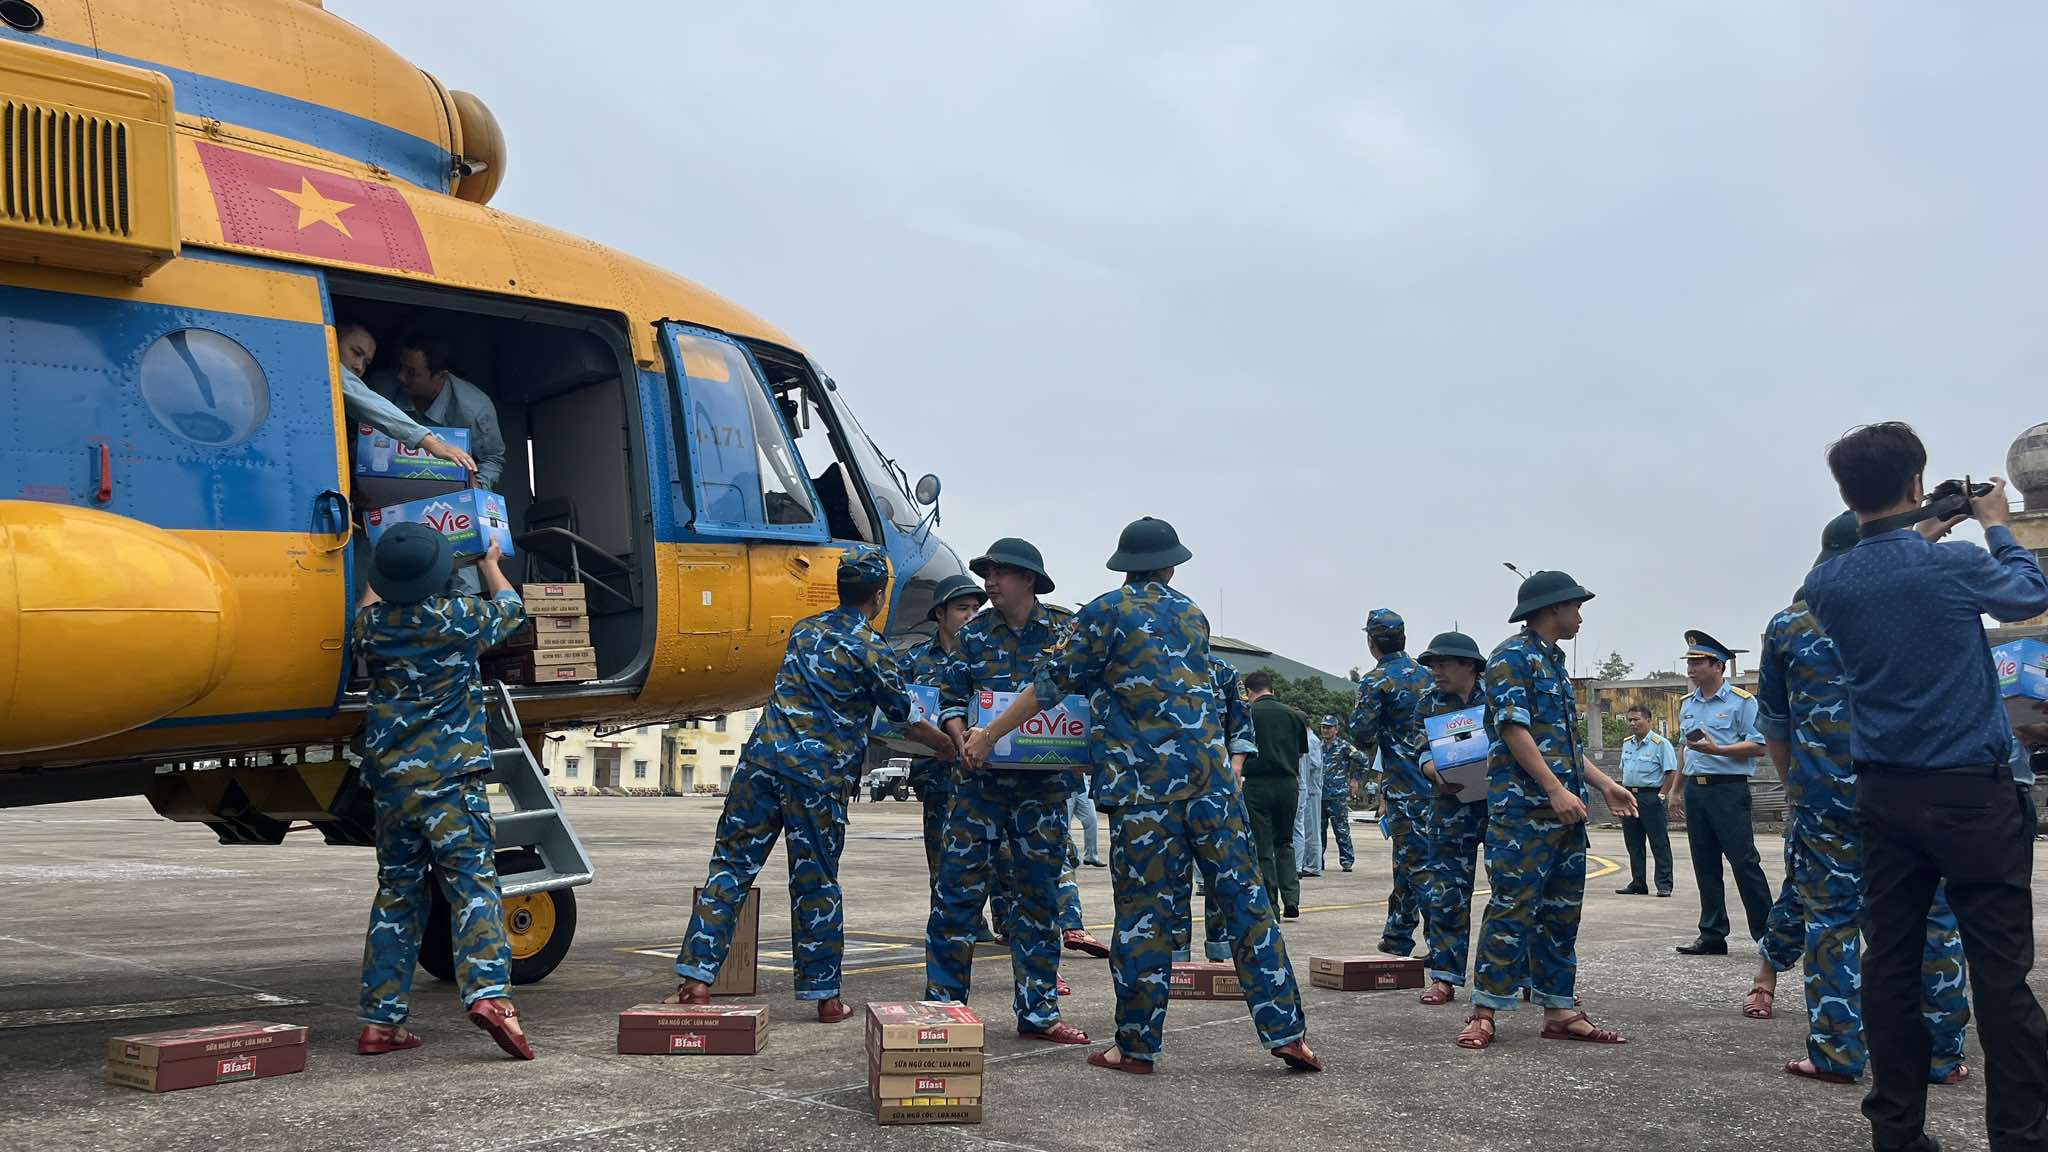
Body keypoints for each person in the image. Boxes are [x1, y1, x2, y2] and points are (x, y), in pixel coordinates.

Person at [964, 516, 1320, 1074]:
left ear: (1123, 564)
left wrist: (988, 733)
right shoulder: (1192, 614)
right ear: (1171, 564)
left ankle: (1135, 1048)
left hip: (1144, 794)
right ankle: (1288, 1033)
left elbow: (1050, 684)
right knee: (1247, 906)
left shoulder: (1106, 612)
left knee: (1145, 919)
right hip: (1213, 789)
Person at [1804, 422, 2048, 1152]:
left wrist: (1919, 527)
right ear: (1916, 482)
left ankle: (1898, 1132)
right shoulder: (1955, 566)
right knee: (2000, 974)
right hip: (1974, 795)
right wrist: (1997, 525)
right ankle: (2021, 1136)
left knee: (1891, 963)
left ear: (1847, 494)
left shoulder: (1826, 582)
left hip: (1885, 795)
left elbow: (1887, 576)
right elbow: (2028, 593)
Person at [1751, 511, 1971, 1087]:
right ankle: (1941, 1056)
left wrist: (1800, 786)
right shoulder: (1927, 604)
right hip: (1922, 791)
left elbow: (1775, 722)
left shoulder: (1790, 623)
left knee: (1832, 925)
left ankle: (1836, 1054)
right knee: (1933, 920)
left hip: (1828, 803)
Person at [667, 551, 913, 1023]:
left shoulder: (803, 630)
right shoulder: (871, 646)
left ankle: (696, 981)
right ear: (879, 596)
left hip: (759, 766)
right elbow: (901, 712)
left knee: (730, 869)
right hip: (816, 779)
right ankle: (825, 997)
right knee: (815, 883)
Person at [352, 526, 530, 1060]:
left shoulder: (372, 628)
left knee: (397, 895)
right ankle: (490, 996)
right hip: (450, 782)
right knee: (472, 886)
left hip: (391, 786)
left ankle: (380, 1023)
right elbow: (511, 607)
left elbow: (368, 606)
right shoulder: (458, 619)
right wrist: (491, 563)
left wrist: (379, 575)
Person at [926, 538, 1101, 1049]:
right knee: (956, 899)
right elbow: (949, 697)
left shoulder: (1066, 634)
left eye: (1000, 573)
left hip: (1044, 792)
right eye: (987, 572)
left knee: (1039, 903)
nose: (990, 582)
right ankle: (943, 1009)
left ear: (1028, 579)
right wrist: (962, 740)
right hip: (978, 789)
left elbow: (1087, 699)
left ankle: (1039, 1012)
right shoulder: (975, 635)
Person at [1456, 570, 1638, 1051]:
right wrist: (1555, 790)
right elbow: (1515, 731)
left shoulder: (1553, 664)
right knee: (1512, 909)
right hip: (1524, 814)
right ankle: (1484, 1011)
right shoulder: (1511, 659)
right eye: (1575, 607)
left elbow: (1563, 744)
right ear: (1553, 607)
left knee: (1561, 913)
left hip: (1565, 815)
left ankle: (1560, 1009)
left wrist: (1606, 785)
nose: (1579, 616)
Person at [901, 574, 997, 942]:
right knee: (943, 857)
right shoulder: (914, 660)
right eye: (962, 609)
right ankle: (951, 927)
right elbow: (895, 715)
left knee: (999, 858)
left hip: (985, 773)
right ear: (939, 614)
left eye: (976, 608)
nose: (971, 615)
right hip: (938, 774)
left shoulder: (990, 654)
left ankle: (997, 922)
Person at [1673, 630, 1775, 956]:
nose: (1691, 669)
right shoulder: (1686, 705)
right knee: (1704, 864)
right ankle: (1712, 933)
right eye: (1689, 662)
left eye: (1698, 662)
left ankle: (1767, 934)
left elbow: (1759, 746)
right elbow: (1683, 750)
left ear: (1717, 665)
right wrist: (1675, 790)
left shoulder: (1742, 702)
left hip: (1729, 790)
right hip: (1697, 791)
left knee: (1744, 862)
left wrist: (1718, 749)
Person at [1412, 631, 1490, 1006]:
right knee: (1446, 892)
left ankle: (1517, 974)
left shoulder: (1497, 698)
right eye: (1431, 665)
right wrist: (1433, 771)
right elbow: (1421, 749)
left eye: (1442, 664)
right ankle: (1444, 976)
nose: (1435, 671)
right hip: (1449, 806)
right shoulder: (1428, 702)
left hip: (1498, 806)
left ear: (1469, 665)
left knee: (1510, 893)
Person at [1349, 608, 1431, 956]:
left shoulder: (1376, 681)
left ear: (1372, 642)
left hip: (1405, 787)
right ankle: (1402, 934)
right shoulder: (1429, 675)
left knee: (1414, 865)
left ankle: (1427, 942)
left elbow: (1361, 732)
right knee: (1423, 862)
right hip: (1441, 784)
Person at [336, 321, 475, 473]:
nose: (359, 367)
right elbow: (360, 397)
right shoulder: (323, 362)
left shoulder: (473, 407)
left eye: (366, 362)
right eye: (356, 353)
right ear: (331, 340)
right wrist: (431, 443)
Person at [1243, 671, 1308, 919]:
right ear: (1271, 689)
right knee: (1285, 841)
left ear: (1249, 692)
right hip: (1288, 784)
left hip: (1258, 784)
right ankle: (1291, 898)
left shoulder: (1249, 714)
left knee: (1263, 845)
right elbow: (1301, 752)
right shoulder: (1294, 715)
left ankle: (1271, 903)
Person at [1614, 704, 1677, 897]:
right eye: (1630, 720)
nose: (1633, 723)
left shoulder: (1660, 744)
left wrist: (1662, 795)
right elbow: (1623, 770)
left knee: (1658, 842)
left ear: (1649, 721)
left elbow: (1671, 771)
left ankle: (1664, 884)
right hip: (1629, 797)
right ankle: (1638, 882)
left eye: (1637, 719)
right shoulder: (1627, 744)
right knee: (1633, 842)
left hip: (1651, 796)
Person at [1317, 717, 1361, 873]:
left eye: (1329, 727)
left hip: (1337, 795)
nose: (1326, 730)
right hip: (1319, 795)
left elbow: (1363, 760)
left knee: (1341, 830)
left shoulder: (1344, 747)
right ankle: (1317, 861)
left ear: (1336, 729)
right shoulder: (1317, 746)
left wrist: (1355, 779)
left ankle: (1347, 861)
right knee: (1318, 831)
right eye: (1323, 727)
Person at [1295, 724, 1326, 878]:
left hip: (1312, 789)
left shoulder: (1311, 740)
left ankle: (1313, 865)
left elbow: (1314, 764)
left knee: (1312, 830)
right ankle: (1309, 862)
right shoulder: (1306, 738)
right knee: (1306, 829)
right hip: (1307, 788)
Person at [1071, 786, 1106, 867]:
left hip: (1082, 785)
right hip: (1065, 786)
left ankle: (1091, 856)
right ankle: (1067, 856)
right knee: (1065, 825)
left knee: (1091, 820)